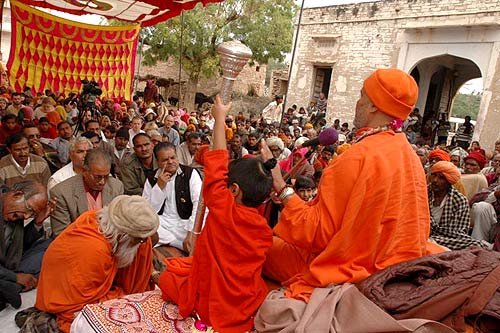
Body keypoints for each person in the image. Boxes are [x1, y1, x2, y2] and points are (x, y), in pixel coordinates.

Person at [263, 68, 433, 302]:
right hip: (394, 272)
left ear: (374, 105)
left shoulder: (358, 156)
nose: (358, 102)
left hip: (348, 270)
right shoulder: (410, 157)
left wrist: (282, 189)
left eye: (362, 96)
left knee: (253, 245)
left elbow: (316, 232)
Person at [157, 95, 273, 332]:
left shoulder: (224, 208)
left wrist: (219, 118)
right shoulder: (264, 230)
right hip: (244, 303)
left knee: (169, 278)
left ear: (234, 189)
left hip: (210, 304)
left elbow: (218, 161)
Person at [35, 195, 158, 333]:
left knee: (144, 247)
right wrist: (123, 294)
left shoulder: (98, 218)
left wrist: (150, 271)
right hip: (67, 297)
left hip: (90, 280)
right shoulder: (94, 249)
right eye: (138, 240)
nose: (143, 242)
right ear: (123, 235)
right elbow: (80, 303)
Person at [0, 181, 54, 311]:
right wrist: (16, 277)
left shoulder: (14, 211)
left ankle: (10, 285)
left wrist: (37, 223)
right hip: (6, 271)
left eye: (32, 214)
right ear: (17, 195)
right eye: (29, 209)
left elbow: (18, 247)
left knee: (51, 246)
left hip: (7, 266)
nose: (27, 216)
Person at [142, 142, 203, 252]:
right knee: (143, 225)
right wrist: (159, 187)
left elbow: (199, 204)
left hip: (185, 224)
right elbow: (148, 211)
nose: (170, 162)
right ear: (158, 162)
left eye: (173, 157)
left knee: (205, 224)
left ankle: (175, 241)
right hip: (163, 224)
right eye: (165, 160)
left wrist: (191, 233)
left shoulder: (190, 173)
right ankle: (178, 244)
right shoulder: (152, 178)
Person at [50, 149, 124, 237]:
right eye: (97, 177)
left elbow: (120, 223)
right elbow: (62, 235)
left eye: (106, 176)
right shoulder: (61, 193)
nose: (102, 182)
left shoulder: (116, 186)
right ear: (84, 171)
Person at [428, 161, 485, 250]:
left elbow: (458, 234)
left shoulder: (459, 200)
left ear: (449, 182)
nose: (435, 180)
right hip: (423, 237)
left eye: (441, 178)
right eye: (434, 175)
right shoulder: (421, 193)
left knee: (475, 245)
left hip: (449, 241)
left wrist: (434, 238)